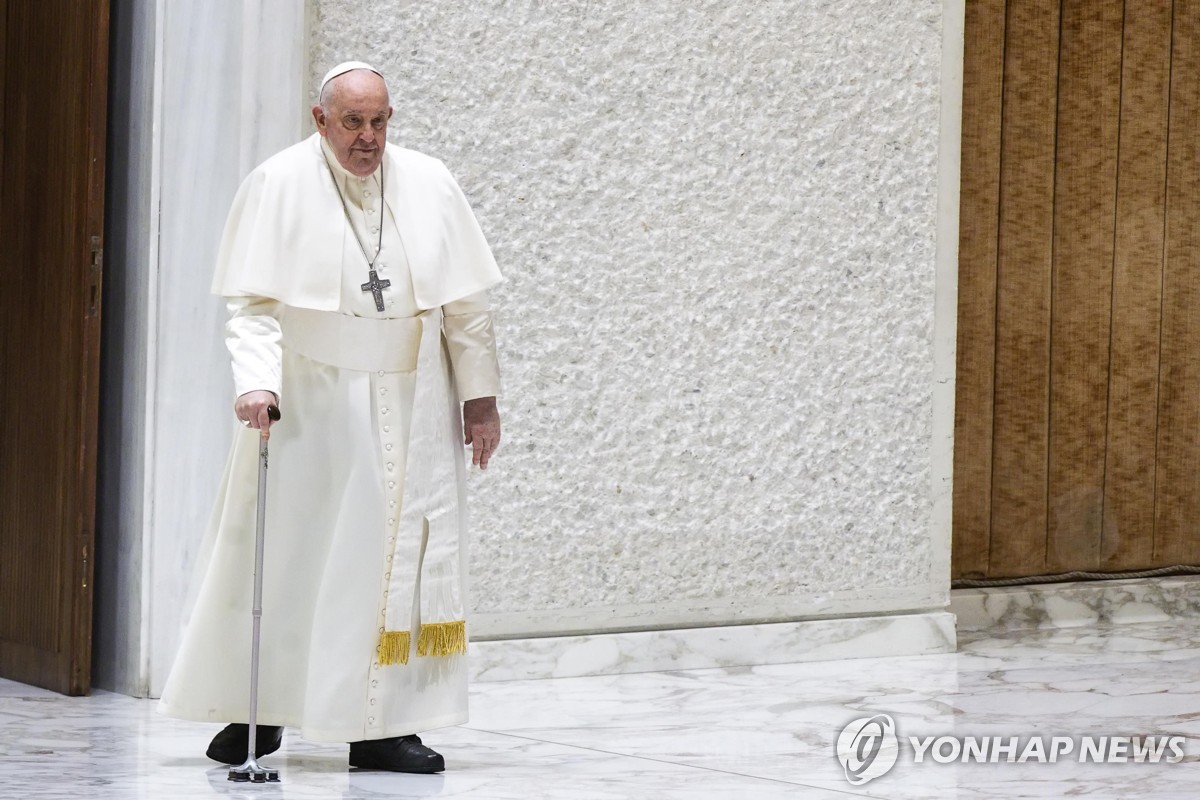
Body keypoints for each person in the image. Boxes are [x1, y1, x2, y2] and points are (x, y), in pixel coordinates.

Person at [157, 61, 503, 774]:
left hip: (410, 400)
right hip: (311, 401)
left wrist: (480, 398)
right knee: (289, 557)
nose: (369, 138)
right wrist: (255, 384)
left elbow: (466, 306)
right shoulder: (279, 184)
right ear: (320, 120)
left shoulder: (430, 183)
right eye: (353, 122)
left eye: (380, 121)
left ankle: (380, 727)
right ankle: (260, 708)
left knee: (384, 568)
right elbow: (252, 305)